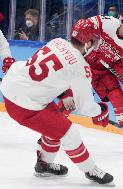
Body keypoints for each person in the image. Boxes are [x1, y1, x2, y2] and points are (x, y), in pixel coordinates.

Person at [0, 19, 114, 185]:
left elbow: (52, 75)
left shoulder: (57, 41)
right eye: (94, 42)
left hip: (15, 84)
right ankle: (90, 170)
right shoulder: (81, 67)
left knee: (56, 125)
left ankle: (44, 164)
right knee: (70, 133)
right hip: (24, 103)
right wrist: (101, 111)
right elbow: (85, 107)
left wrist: (65, 94)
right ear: (88, 43)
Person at [59, 6, 123, 154]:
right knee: (70, 99)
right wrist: (85, 41)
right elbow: (82, 27)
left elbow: (122, 69)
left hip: (103, 73)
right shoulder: (107, 22)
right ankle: (53, 129)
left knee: (119, 98)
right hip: (83, 64)